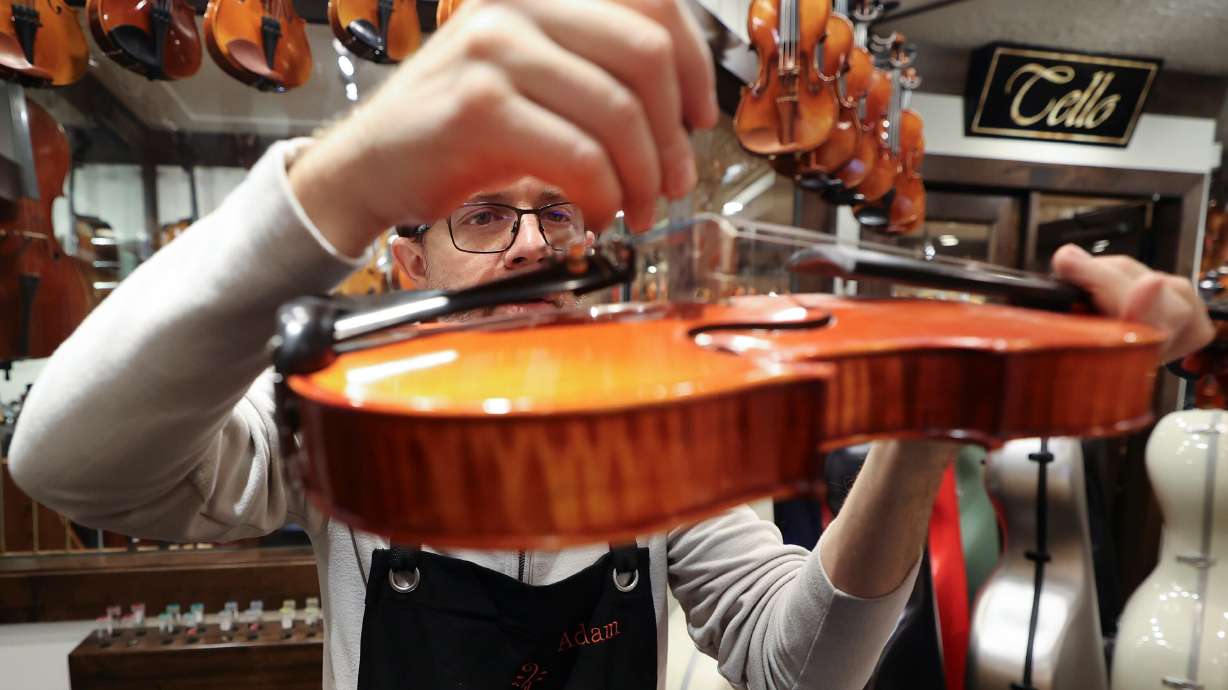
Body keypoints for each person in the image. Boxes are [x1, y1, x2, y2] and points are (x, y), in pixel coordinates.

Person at [8, 1, 1213, 689]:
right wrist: (341, 178)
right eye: (484, 213)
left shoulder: (653, 423)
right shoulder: (348, 413)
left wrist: (913, 425)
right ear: (407, 257)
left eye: (561, 214)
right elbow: (68, 464)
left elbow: (799, 669)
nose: (537, 244)